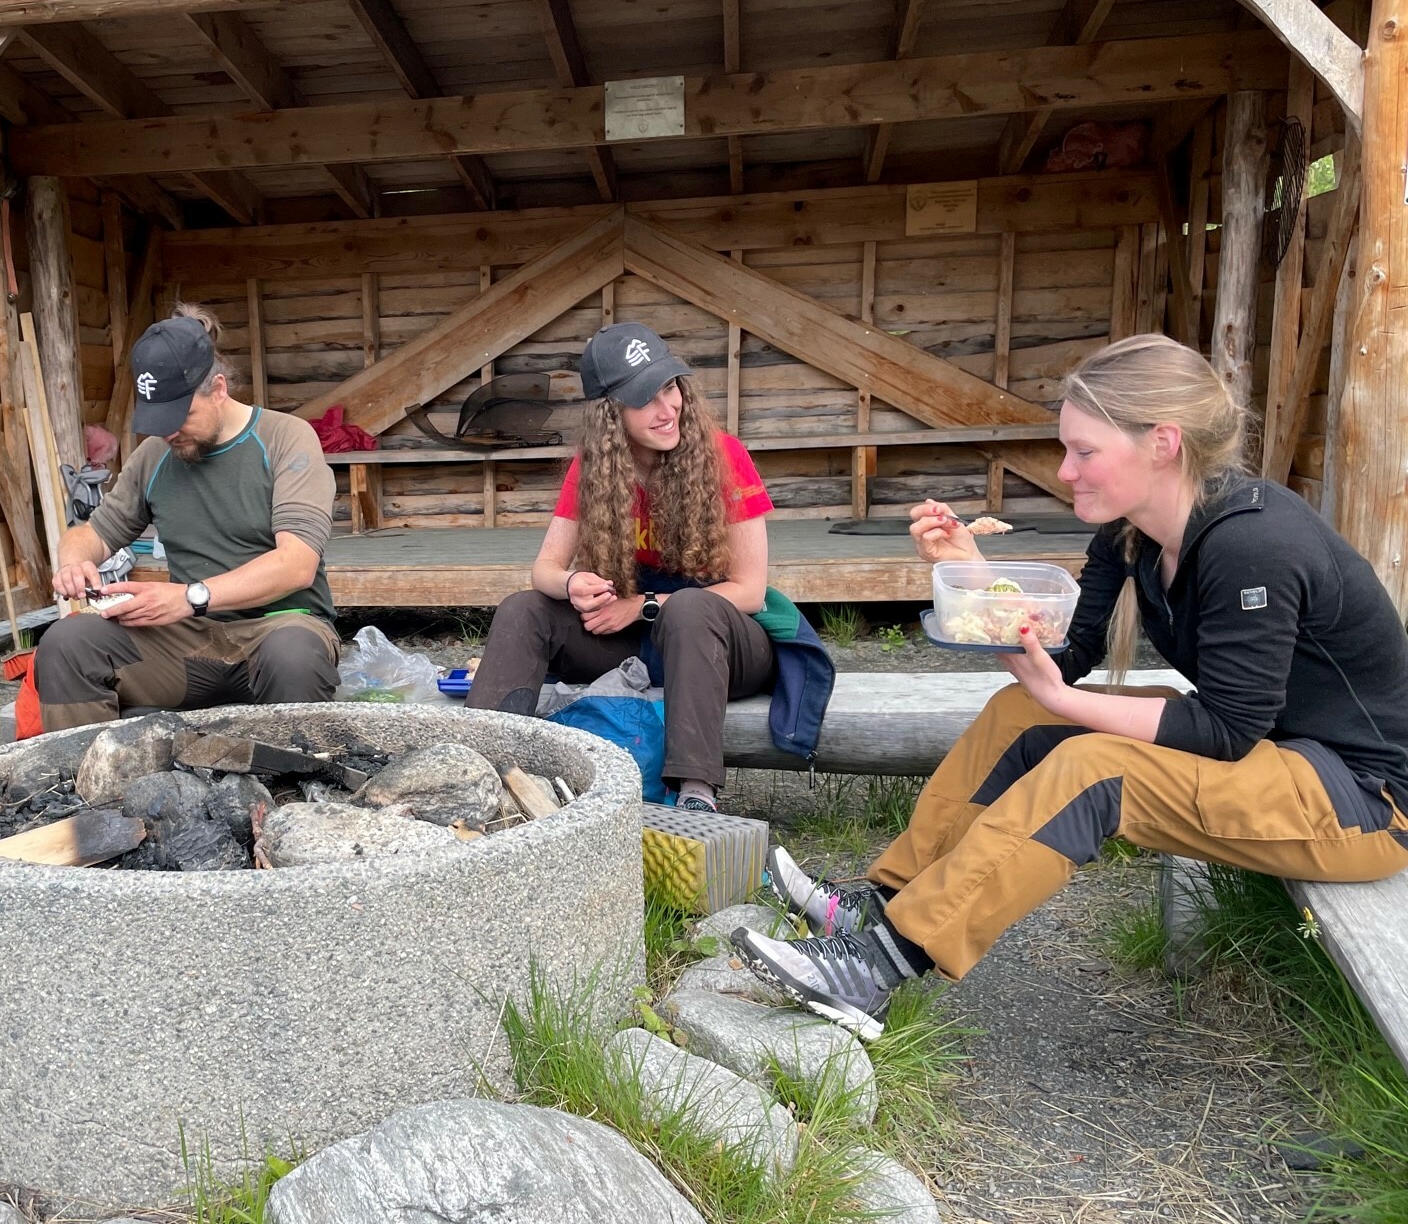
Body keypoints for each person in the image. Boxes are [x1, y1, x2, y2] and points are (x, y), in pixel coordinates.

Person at [732, 334, 1408, 1042]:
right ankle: (884, 901)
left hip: (1358, 798)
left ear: (1163, 443)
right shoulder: (1134, 531)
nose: (1065, 469)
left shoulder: (1254, 547)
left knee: (1095, 771)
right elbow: (1071, 651)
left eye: (1085, 451)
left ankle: (874, 967)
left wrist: (1065, 701)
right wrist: (971, 570)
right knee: (1021, 711)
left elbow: (1228, 730)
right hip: (1269, 751)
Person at [467, 323, 778, 810]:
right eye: (645, 397)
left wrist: (643, 606)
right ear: (612, 414)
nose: (668, 407)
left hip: (722, 644)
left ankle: (696, 794)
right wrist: (573, 584)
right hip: (639, 642)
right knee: (525, 609)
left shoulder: (725, 455)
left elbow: (751, 591)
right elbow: (544, 570)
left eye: (670, 386)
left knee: (690, 610)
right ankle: (477, 770)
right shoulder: (593, 467)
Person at [34, 306, 340, 730]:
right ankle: (83, 783)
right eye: (159, 420)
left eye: (181, 417)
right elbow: (90, 533)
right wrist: (74, 563)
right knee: (68, 641)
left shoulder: (285, 437)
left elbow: (297, 565)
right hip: (189, 644)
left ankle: (293, 788)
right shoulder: (155, 455)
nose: (169, 432)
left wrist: (187, 597)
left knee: (293, 655)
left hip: (279, 626)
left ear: (218, 389)